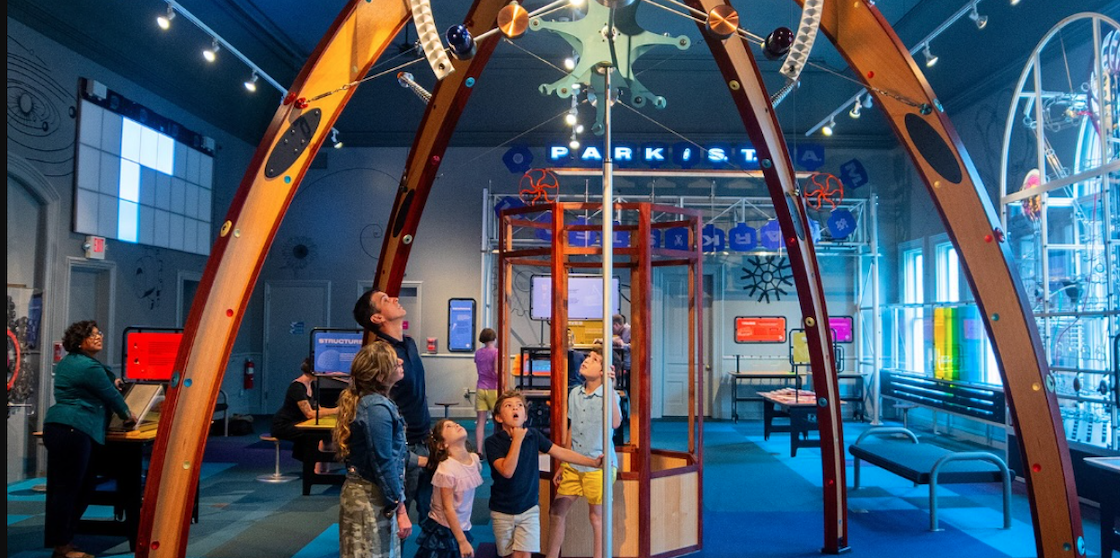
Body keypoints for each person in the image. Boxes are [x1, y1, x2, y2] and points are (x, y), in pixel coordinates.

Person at [43, 321, 137, 558]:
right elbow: (109, 395)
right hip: (74, 429)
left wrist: (112, 380)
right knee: (69, 491)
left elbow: (104, 377)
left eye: (99, 333)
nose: (99, 337)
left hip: (64, 428)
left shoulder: (74, 362)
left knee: (80, 489)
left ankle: (64, 541)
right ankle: (62, 547)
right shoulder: (87, 367)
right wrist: (128, 416)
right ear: (79, 341)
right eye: (92, 335)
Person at [485, 390, 602, 558]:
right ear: (498, 417)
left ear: (525, 416)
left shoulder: (533, 435)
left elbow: (560, 452)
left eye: (519, 406)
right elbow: (507, 471)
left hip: (529, 508)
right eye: (508, 406)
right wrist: (517, 440)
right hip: (502, 510)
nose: (514, 409)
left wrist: (592, 462)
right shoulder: (492, 443)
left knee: (524, 555)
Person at [354, 289, 434, 520]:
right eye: (385, 300)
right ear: (377, 318)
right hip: (402, 447)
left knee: (434, 517)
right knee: (397, 522)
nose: (395, 299)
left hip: (423, 440)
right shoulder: (380, 356)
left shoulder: (409, 344)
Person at [333, 342, 415, 558]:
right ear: (380, 376)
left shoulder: (376, 403)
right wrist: (401, 508)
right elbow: (383, 462)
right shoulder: (376, 407)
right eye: (393, 360)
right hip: (368, 498)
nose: (400, 361)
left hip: (373, 495)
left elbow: (393, 456)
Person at [544, 347, 622, 558]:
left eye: (595, 359)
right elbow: (572, 429)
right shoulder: (574, 393)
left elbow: (615, 423)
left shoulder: (610, 395)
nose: (587, 360)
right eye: (588, 356)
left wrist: (610, 388)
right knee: (556, 511)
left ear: (605, 370)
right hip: (574, 465)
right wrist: (563, 462)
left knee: (596, 517)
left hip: (599, 466)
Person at [415, 419, 483, 558]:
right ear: (442, 445)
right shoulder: (446, 469)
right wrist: (462, 541)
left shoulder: (474, 459)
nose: (456, 425)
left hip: (461, 525)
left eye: (455, 423)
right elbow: (448, 509)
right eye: (449, 426)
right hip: (444, 527)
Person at [271, 356, 339, 474]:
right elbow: (309, 414)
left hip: (298, 422)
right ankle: (314, 469)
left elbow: (317, 408)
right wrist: (335, 411)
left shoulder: (312, 385)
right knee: (313, 435)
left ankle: (321, 469)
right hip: (284, 424)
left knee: (325, 434)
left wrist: (336, 411)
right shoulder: (297, 387)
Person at [473, 328, 499, 454]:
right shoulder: (496, 352)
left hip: (480, 388)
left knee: (480, 422)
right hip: (494, 389)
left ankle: (479, 450)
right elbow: (496, 370)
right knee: (497, 421)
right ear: (494, 338)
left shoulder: (478, 353)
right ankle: (495, 448)